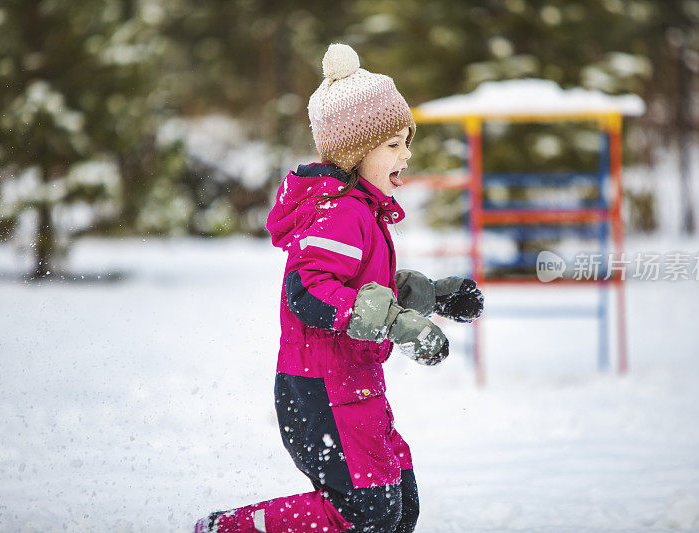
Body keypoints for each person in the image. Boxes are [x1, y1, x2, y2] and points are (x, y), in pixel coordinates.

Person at [195, 43, 483, 533]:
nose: (407, 154)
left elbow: (362, 282)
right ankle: (227, 529)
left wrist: (430, 295)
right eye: (393, 144)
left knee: (399, 507)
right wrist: (397, 324)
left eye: (405, 141)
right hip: (321, 387)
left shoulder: (362, 208)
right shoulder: (341, 212)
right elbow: (307, 292)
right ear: (356, 151)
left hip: (354, 383)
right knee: (365, 510)